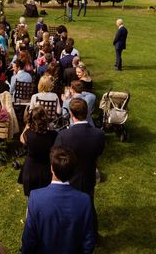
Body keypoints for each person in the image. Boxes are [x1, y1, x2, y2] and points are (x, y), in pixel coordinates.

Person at [21, 146, 96, 254]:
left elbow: (29, 238)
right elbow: (89, 240)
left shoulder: (36, 198)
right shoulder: (84, 201)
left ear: (52, 168)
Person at [54, 98, 105, 236]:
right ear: (87, 112)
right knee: (88, 205)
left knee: (70, 208)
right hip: (88, 175)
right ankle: (91, 234)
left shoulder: (64, 135)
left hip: (69, 178)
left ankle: (72, 233)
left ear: (71, 114)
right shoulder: (98, 134)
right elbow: (99, 152)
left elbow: (57, 156)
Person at [18, 106, 58, 196]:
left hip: (30, 170)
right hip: (46, 169)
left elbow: (21, 139)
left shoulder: (28, 134)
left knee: (31, 200)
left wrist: (27, 126)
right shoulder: (53, 135)